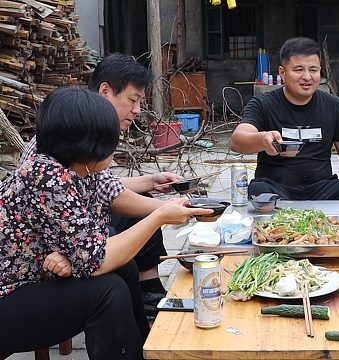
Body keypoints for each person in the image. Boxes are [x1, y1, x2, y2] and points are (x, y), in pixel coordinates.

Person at [0, 88, 211, 359]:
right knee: (106, 294)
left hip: (38, 277)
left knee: (124, 267)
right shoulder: (46, 176)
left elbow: (110, 201)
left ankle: (144, 349)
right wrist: (159, 217)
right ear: (90, 143)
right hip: (9, 295)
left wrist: (175, 207)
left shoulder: (78, 167)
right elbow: (95, 260)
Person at [20, 53, 177, 313]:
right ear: (105, 91)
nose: (137, 111)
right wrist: (165, 211)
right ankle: (143, 295)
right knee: (129, 233)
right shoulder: (63, 146)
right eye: (132, 100)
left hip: (73, 228)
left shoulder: (88, 128)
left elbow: (102, 184)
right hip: (52, 244)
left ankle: (145, 293)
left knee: (136, 225)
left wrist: (151, 181)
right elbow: (108, 194)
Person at [230, 37, 339, 200]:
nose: (307, 77)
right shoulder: (263, 103)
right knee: (258, 189)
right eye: (299, 69)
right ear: (282, 72)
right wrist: (263, 140)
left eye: (313, 70)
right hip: (276, 187)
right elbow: (237, 141)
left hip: (322, 188)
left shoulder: (333, 105)